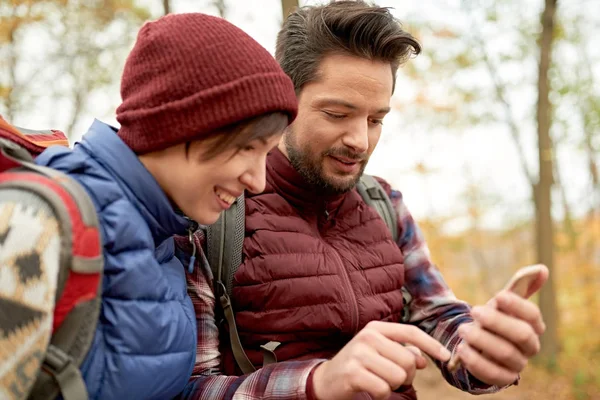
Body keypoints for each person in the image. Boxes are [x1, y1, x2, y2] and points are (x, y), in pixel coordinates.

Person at [178, 2, 548, 400]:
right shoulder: (215, 213)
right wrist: (318, 383)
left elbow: (440, 318)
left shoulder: (384, 204)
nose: (360, 140)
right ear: (283, 100)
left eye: (376, 120)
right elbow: (190, 389)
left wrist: (481, 353)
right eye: (338, 114)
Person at [28, 12, 298, 400]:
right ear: (180, 124)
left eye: (267, 153)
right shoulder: (47, 220)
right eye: (247, 148)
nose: (258, 181)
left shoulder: (167, 240)